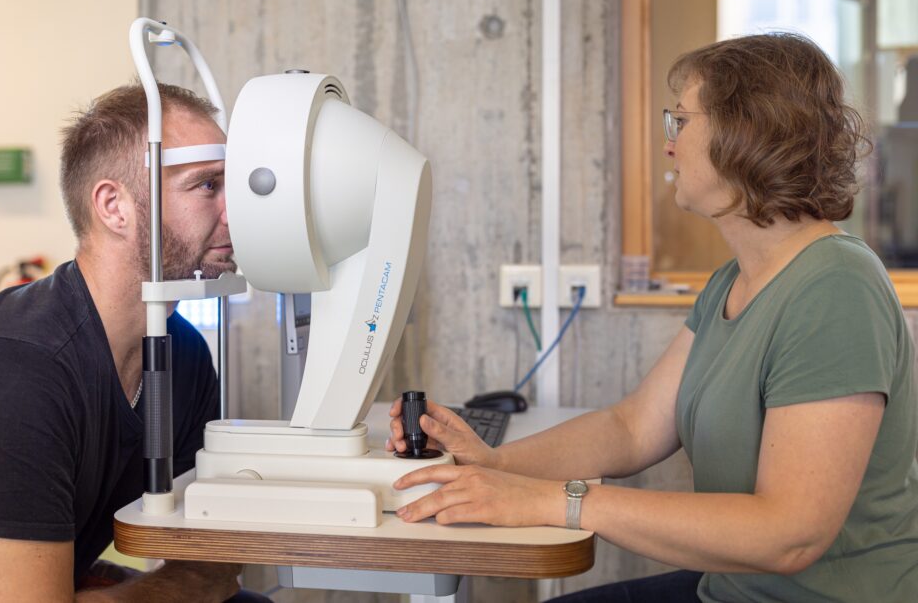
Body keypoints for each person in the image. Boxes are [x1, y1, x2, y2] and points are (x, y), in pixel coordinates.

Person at [387, 33, 918, 602]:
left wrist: (556, 501)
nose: (669, 144)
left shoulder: (836, 289)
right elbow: (633, 428)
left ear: (745, 134)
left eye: (681, 122)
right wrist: (494, 464)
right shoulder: (734, 281)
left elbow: (790, 536)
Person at [0, 84, 269, 602]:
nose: (235, 211)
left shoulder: (181, 353)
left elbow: (199, 554)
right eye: (207, 185)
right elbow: (195, 577)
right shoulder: (9, 372)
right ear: (114, 207)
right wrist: (175, 586)